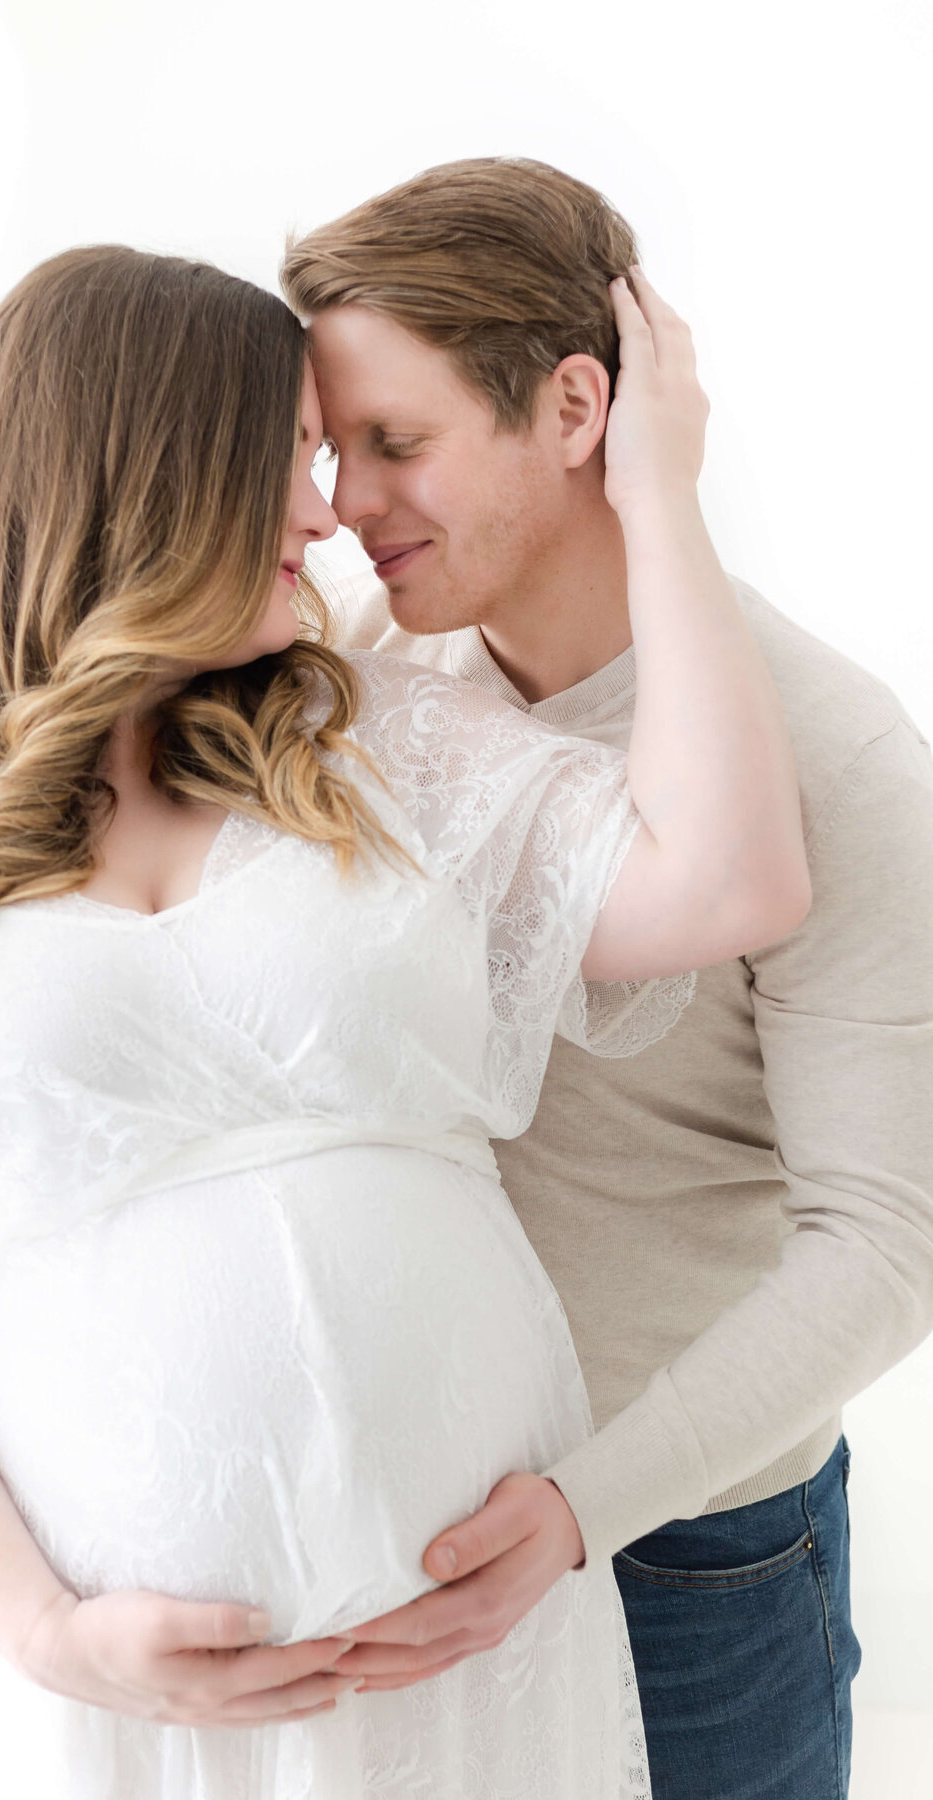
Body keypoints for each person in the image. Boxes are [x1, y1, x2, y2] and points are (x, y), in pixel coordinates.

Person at [0, 244, 809, 1800]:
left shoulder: (368, 738)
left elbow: (727, 881)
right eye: (286, 466)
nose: (331, 515)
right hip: (133, 1682)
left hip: (467, 1651)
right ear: (146, 480)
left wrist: (660, 495)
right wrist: (40, 1630)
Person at [271, 156, 933, 1800]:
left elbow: (893, 1240)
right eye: (332, 449)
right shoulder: (360, 666)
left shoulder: (834, 755)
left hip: (688, 1559)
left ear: (580, 409)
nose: (348, 501)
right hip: (377, 1525)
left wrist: (586, 1507)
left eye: (399, 443)